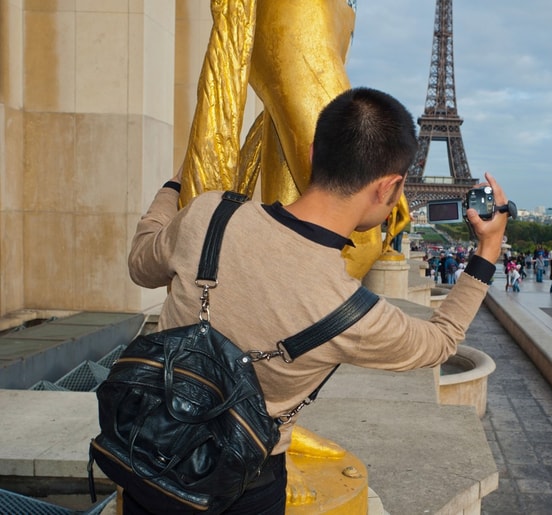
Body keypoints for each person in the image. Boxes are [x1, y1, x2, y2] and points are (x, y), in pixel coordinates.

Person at [126, 88, 509, 514]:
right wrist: (487, 250)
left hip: (143, 452)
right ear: (392, 187)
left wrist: (173, 185)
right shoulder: (352, 312)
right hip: (241, 488)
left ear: (311, 154)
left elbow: (142, 266)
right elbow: (442, 340)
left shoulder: (209, 215)